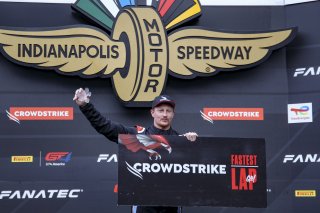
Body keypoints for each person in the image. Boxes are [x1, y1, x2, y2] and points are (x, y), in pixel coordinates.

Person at [73, 88, 198, 213]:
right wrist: (85, 106)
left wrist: (193, 144)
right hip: (143, 203)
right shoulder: (137, 135)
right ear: (152, 112)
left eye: (168, 111)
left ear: (173, 114)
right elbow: (105, 126)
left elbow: (199, 172)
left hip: (172, 204)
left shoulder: (181, 140)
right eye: (160, 110)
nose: (165, 114)